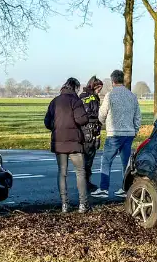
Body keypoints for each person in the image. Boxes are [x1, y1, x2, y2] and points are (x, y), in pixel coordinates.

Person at [44, 77, 90, 213]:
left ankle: (64, 204)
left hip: (59, 142)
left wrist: (57, 126)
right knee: (80, 172)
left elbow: (47, 122)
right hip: (74, 142)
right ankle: (83, 204)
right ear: (75, 87)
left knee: (62, 173)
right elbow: (82, 120)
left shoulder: (54, 102)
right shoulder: (76, 101)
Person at [95, 69, 141, 198]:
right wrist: (135, 130)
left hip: (114, 133)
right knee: (125, 163)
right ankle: (125, 189)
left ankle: (104, 189)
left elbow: (102, 113)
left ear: (112, 81)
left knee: (106, 161)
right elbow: (138, 116)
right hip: (129, 133)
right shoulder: (132, 96)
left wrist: (102, 123)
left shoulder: (110, 95)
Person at [78, 76, 104, 193]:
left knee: (84, 158)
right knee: (89, 158)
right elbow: (96, 115)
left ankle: (84, 182)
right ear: (95, 87)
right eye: (99, 89)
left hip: (83, 130)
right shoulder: (93, 97)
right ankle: (86, 183)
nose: (100, 91)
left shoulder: (81, 96)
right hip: (91, 131)